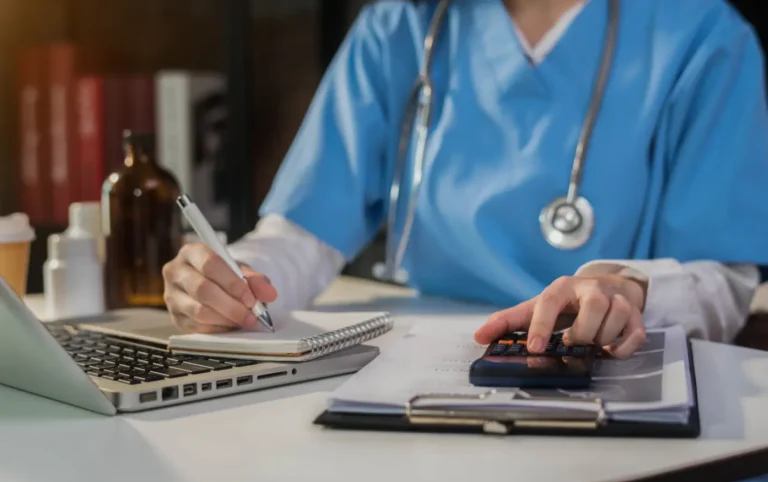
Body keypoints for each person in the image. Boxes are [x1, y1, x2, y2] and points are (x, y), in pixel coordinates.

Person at [162, 0, 768, 359]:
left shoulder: (702, 35)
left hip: (597, 365)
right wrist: (230, 281)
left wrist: (631, 290)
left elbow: (725, 280)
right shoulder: (402, 23)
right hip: (420, 360)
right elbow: (300, 237)